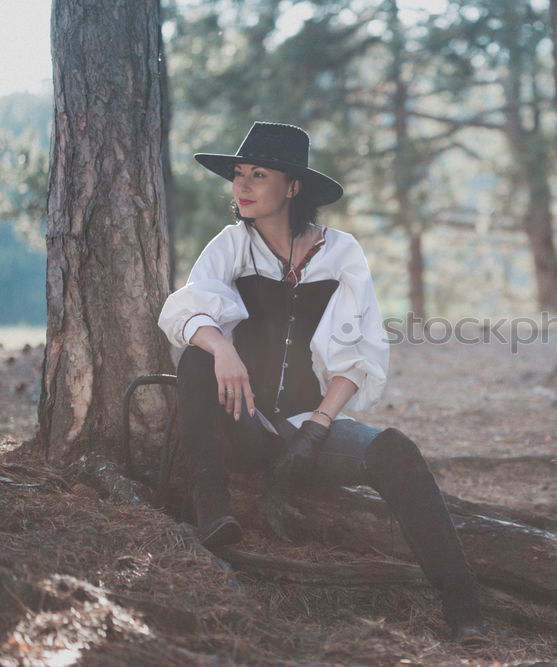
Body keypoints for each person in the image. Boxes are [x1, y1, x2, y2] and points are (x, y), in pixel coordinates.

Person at [157, 121, 485, 642]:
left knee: (397, 451)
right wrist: (223, 348)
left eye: (257, 174)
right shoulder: (231, 244)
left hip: (304, 423)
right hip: (241, 419)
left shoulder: (341, 253)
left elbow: (356, 354)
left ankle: (464, 606)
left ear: (292, 187)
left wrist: (316, 430)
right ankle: (211, 500)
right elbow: (187, 309)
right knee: (198, 359)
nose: (241, 185)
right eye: (238, 174)